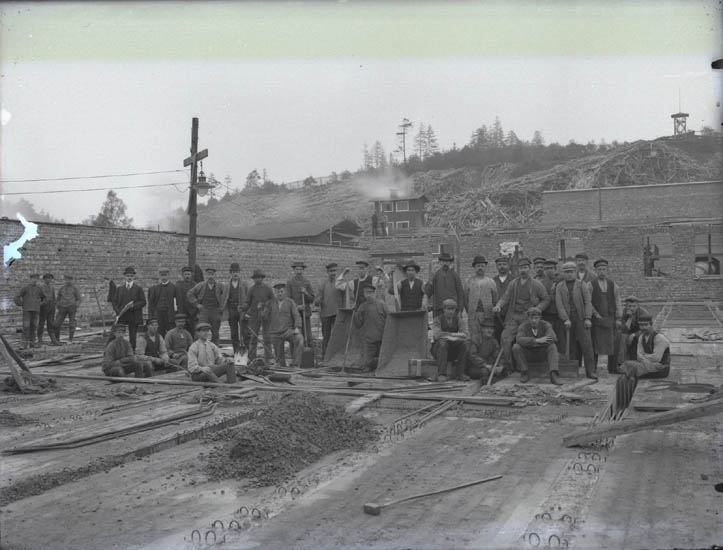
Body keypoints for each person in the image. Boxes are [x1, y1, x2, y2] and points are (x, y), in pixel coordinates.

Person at [493, 258, 550, 371]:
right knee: (505, 338)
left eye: (525, 267)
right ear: (518, 269)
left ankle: (525, 366)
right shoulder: (513, 284)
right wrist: (499, 305)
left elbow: (546, 299)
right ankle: (508, 367)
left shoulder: (536, 284)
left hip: (528, 319)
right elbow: (505, 297)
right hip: (513, 317)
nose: (523, 270)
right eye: (521, 268)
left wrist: (537, 309)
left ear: (529, 269)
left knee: (525, 340)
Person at [556, 261, 597, 379]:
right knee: (570, 346)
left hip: (581, 319)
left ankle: (591, 371)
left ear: (575, 272)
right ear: (563, 273)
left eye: (571, 272)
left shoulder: (581, 284)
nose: (569, 274)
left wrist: (588, 318)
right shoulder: (560, 286)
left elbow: (588, 302)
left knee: (587, 345)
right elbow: (559, 304)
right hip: (567, 320)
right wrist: (565, 319)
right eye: (567, 272)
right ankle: (572, 371)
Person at [512, 307, 563, 385]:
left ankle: (553, 374)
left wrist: (529, 343)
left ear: (540, 318)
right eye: (531, 318)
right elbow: (519, 339)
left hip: (542, 354)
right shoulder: (523, 326)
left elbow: (553, 338)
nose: (534, 320)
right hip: (529, 354)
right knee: (516, 347)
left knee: (552, 346)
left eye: (536, 318)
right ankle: (524, 372)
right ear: (528, 318)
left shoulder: (545, 324)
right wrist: (536, 340)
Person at [590, 259, 622, 374]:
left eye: (604, 269)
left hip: (610, 318)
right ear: (595, 271)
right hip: (596, 320)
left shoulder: (613, 285)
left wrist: (618, 318)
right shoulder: (590, 285)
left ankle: (612, 368)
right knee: (595, 344)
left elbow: (618, 301)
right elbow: (588, 302)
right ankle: (593, 369)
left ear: (607, 270)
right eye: (599, 269)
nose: (602, 272)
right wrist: (596, 314)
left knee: (612, 344)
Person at [619, 313, 670, 379]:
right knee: (627, 363)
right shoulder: (641, 337)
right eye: (641, 325)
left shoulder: (660, 338)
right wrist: (644, 359)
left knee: (634, 367)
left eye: (646, 325)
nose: (643, 328)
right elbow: (639, 355)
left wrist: (643, 357)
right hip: (646, 364)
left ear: (651, 325)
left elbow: (656, 358)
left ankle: (635, 372)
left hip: (660, 367)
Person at [431, 298, 471, 381]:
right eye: (448, 309)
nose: (451, 311)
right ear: (444, 309)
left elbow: (466, 334)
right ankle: (441, 374)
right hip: (438, 350)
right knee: (443, 343)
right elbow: (437, 335)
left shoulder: (459, 320)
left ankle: (460, 373)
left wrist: (449, 335)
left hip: (452, 350)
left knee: (465, 344)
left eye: (453, 309)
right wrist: (455, 335)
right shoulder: (437, 320)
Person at [268, 283, 304, 368]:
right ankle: (281, 364)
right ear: (275, 293)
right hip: (275, 332)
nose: (280, 293)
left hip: (288, 331)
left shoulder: (290, 302)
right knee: (280, 363)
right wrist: (260, 310)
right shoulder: (271, 303)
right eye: (278, 292)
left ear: (285, 292)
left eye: (281, 291)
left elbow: (296, 315)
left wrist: (297, 327)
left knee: (299, 339)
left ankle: (296, 364)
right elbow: (265, 316)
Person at [463, 255, 498, 345]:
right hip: (473, 314)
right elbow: (465, 299)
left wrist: (491, 309)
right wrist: (470, 310)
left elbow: (495, 298)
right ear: (474, 267)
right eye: (478, 266)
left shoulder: (491, 282)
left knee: (487, 336)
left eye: (482, 266)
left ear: (485, 267)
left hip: (487, 314)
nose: (480, 268)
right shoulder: (468, 282)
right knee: (474, 336)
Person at [352, 285, 388, 372]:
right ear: (364, 294)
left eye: (370, 293)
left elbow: (390, 320)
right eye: (366, 293)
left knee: (384, 362)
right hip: (369, 341)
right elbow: (358, 324)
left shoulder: (382, 305)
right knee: (366, 364)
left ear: (374, 293)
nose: (368, 295)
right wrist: (354, 313)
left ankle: (378, 364)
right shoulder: (362, 307)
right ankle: (372, 364)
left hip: (382, 340)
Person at [187, 267, 226, 345]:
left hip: (215, 311)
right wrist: (196, 304)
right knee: (200, 329)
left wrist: (222, 307)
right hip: (204, 311)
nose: (210, 276)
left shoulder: (220, 285)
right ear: (206, 275)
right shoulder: (201, 285)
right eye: (208, 274)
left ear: (215, 275)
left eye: (212, 274)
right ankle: (198, 347)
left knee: (215, 332)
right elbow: (190, 293)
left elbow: (226, 295)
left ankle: (215, 349)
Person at [243, 269, 274, 362]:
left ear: (262, 278)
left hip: (266, 316)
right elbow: (247, 302)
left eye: (259, 277)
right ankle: (252, 358)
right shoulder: (251, 289)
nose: (257, 279)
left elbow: (273, 301)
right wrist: (243, 308)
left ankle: (269, 358)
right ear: (254, 279)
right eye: (256, 278)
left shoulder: (268, 288)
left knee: (267, 337)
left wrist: (266, 306)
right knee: (253, 337)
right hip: (254, 316)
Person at [113, 266, 146, 351]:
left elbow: (143, 301)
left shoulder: (138, 289)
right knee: (120, 333)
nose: (129, 277)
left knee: (133, 335)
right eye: (128, 276)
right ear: (125, 277)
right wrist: (118, 311)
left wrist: (134, 306)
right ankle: (120, 350)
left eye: (131, 276)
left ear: (134, 277)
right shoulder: (119, 289)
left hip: (133, 315)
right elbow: (114, 302)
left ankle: (132, 351)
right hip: (122, 315)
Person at [425, 252, 465, 318]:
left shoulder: (455, 276)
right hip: (438, 309)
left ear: (450, 263)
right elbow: (428, 293)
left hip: (452, 309)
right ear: (440, 262)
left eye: (447, 261)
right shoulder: (435, 275)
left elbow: (460, 294)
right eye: (443, 261)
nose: (445, 263)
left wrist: (460, 310)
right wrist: (430, 280)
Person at [615, 296, 650, 366]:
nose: (631, 308)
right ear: (626, 306)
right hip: (628, 334)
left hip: (640, 333)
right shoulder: (623, 313)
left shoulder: (643, 313)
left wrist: (634, 335)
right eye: (629, 306)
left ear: (638, 306)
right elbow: (624, 329)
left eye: (634, 306)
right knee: (622, 337)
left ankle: (644, 362)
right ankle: (621, 364)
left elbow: (646, 329)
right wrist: (630, 318)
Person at [316, 262, 342, 355]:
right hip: (325, 314)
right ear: (327, 272)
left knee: (337, 336)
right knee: (326, 336)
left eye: (334, 271)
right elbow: (317, 299)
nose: (333, 273)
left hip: (337, 314)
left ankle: (336, 355)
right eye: (331, 271)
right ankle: (325, 356)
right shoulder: (323, 284)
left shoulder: (340, 283)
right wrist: (318, 301)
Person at [286, 261, 315, 346]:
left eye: (300, 269)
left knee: (308, 336)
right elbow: (288, 300)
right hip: (294, 315)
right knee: (295, 336)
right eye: (297, 269)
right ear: (294, 270)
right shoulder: (290, 282)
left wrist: (306, 293)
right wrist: (297, 307)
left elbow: (312, 299)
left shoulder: (307, 282)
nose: (299, 271)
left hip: (305, 313)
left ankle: (308, 351)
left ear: (303, 270)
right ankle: (296, 353)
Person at [14, 273, 45, 348]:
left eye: (36, 278)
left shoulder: (39, 289)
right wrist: (21, 304)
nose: (35, 280)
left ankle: (32, 343)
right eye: (33, 278)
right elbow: (16, 297)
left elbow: (44, 298)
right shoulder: (25, 288)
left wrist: (40, 304)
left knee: (34, 326)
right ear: (30, 279)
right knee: (26, 326)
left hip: (36, 310)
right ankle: (24, 344)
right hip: (27, 310)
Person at [226, 262, 250, 354]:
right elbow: (224, 298)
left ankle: (247, 352)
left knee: (245, 333)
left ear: (239, 273)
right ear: (230, 273)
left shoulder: (244, 285)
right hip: (232, 311)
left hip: (242, 311)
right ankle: (236, 353)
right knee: (234, 333)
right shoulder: (227, 286)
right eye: (233, 272)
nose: (235, 274)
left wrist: (247, 311)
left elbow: (249, 299)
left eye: (237, 272)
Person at [148, 267, 176, 337]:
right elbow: (151, 304)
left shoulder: (174, 287)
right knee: (159, 333)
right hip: (159, 315)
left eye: (165, 275)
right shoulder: (155, 288)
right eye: (162, 275)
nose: (163, 277)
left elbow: (177, 302)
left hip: (170, 315)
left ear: (168, 275)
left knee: (170, 333)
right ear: (159, 276)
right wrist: (152, 315)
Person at [541, 259, 564, 344]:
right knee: (549, 338)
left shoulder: (561, 281)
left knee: (561, 339)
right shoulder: (541, 283)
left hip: (559, 315)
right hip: (547, 315)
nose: (549, 270)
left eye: (551, 268)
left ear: (555, 269)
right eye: (546, 268)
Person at [55, 273, 81, 344]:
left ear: (72, 280)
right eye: (66, 280)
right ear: (65, 280)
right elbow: (58, 298)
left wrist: (75, 305)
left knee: (71, 324)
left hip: (71, 308)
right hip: (62, 308)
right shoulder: (62, 288)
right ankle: (57, 340)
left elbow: (78, 299)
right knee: (57, 323)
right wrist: (58, 305)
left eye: (70, 280)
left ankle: (70, 340)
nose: (68, 281)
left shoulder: (74, 289)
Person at [492, 256, 513, 343]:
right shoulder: (492, 281)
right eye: (499, 264)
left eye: (504, 264)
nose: (502, 266)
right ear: (496, 266)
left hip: (510, 315)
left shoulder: (514, 280)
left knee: (509, 339)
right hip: (497, 315)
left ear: (508, 266)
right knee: (497, 337)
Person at [38, 273, 61, 346]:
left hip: (51, 308)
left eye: (50, 278)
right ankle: (39, 340)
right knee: (41, 324)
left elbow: (53, 298)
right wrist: (41, 304)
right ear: (44, 279)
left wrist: (54, 305)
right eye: (47, 278)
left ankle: (54, 340)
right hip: (43, 307)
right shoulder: (41, 287)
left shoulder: (52, 287)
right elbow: (39, 297)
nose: (49, 280)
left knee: (51, 324)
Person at [174, 266, 197, 334]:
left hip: (192, 311)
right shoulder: (178, 284)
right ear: (182, 275)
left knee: (192, 329)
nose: (187, 276)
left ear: (191, 275)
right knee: (182, 328)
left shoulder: (195, 285)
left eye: (189, 274)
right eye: (185, 274)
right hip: (182, 310)